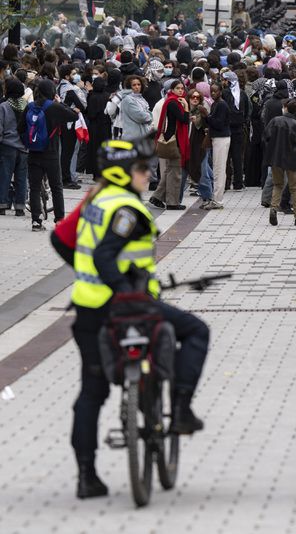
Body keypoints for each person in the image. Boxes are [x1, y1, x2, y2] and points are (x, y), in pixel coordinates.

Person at [51, 137, 210, 500]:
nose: (148, 173)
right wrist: (125, 289)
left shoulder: (94, 200)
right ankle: (181, 408)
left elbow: (60, 239)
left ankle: (86, 475)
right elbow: (108, 255)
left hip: (88, 309)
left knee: (92, 391)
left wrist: (83, 269)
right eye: (142, 168)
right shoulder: (127, 209)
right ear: (124, 173)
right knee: (196, 330)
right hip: (128, 307)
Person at [27, 79, 71, 231]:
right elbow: (74, 116)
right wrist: (60, 102)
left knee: (34, 187)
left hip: (33, 153)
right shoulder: (54, 107)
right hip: (51, 152)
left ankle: (36, 221)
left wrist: (29, 143)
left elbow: (21, 128)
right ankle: (59, 220)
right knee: (56, 187)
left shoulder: (30, 106)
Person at [150, 80, 190, 210]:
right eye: (177, 88)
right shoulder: (174, 102)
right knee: (175, 172)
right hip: (174, 140)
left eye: (182, 88)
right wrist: (186, 108)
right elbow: (183, 120)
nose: (180, 90)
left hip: (172, 138)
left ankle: (156, 197)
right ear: (171, 90)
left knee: (170, 171)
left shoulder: (173, 101)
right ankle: (172, 203)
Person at [266, 97, 296, 226]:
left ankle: (273, 208)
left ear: (286, 107)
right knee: (294, 188)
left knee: (278, 185)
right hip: (292, 159)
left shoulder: (275, 121)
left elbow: (266, 136)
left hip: (276, 158)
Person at [0, 78, 28, 216]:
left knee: (5, 175)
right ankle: (20, 207)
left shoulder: (4, 106)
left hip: (7, 146)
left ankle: (2, 205)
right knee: (21, 177)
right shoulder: (27, 105)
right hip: (23, 147)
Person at [205, 83, 231, 209]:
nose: (213, 93)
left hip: (222, 138)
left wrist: (206, 116)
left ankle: (218, 200)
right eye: (211, 91)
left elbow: (219, 124)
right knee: (216, 169)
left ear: (220, 91)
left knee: (219, 170)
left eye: (215, 91)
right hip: (217, 138)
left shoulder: (221, 105)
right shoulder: (216, 104)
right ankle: (216, 198)